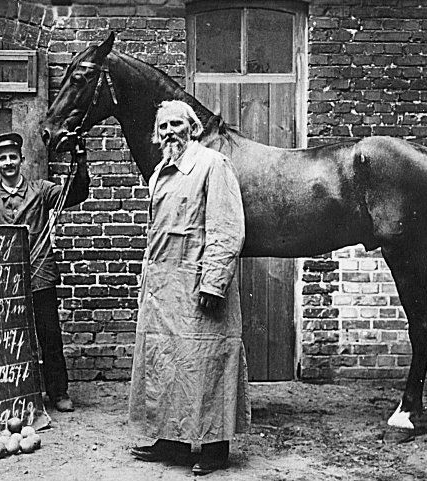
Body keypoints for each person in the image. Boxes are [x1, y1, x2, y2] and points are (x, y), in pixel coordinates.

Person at [128, 100, 250, 475]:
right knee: (166, 362)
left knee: (207, 363)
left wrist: (214, 283)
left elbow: (228, 228)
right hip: (163, 290)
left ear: (193, 128)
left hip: (198, 288)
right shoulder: (160, 171)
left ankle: (214, 448)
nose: (169, 132)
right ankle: (172, 440)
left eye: (176, 124)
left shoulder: (213, 165)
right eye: (162, 126)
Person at [0, 131, 89, 412]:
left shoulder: (41, 190)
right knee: (9, 336)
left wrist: (80, 160)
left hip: (39, 274)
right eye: (2, 158)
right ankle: (15, 392)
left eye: (13, 157)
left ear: (22, 159)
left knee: (48, 334)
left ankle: (58, 392)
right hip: (5, 280)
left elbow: (76, 193)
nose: (9, 162)